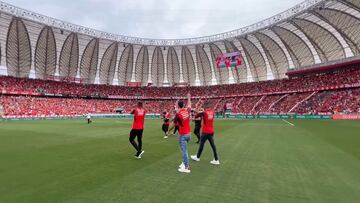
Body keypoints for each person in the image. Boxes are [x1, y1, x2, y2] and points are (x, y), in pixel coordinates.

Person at [167, 93, 192, 173]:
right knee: (183, 149)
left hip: (183, 135)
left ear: (178, 106)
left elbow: (173, 125)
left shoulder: (178, 114)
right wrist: (188, 98)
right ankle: (184, 162)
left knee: (184, 151)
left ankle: (187, 167)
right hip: (189, 134)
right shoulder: (187, 111)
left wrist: (168, 131)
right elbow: (190, 105)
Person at [191, 101, 220, 165]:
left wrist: (194, 115)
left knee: (201, 144)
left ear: (205, 107)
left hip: (205, 132)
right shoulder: (212, 112)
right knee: (213, 146)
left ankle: (197, 157)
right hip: (211, 131)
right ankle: (216, 159)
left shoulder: (204, 113)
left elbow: (196, 115)